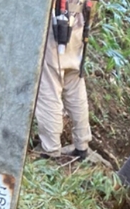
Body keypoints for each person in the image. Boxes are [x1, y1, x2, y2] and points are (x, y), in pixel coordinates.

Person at [35, 0, 94, 160]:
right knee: (74, 81)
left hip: (57, 20)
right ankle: (82, 145)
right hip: (79, 18)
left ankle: (50, 149)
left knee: (48, 86)